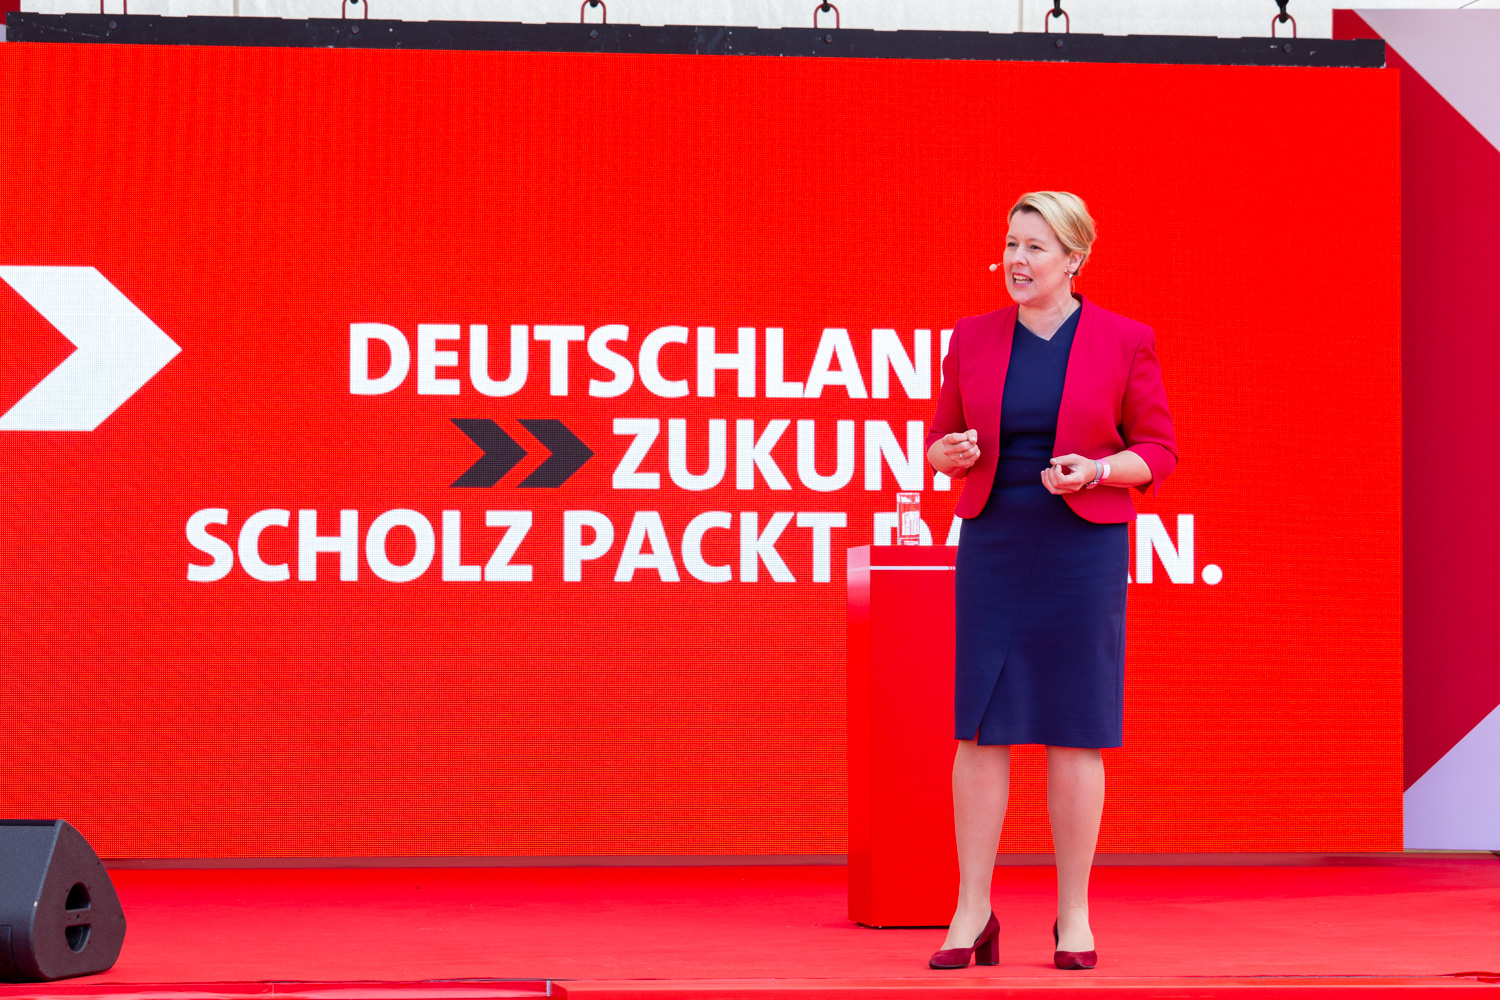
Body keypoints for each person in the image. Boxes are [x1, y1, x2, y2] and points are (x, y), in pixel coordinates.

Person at [923, 191, 1177, 971]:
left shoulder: (1126, 340)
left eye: (1036, 246)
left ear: (1075, 258)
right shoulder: (972, 338)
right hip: (996, 542)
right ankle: (972, 908)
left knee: (1075, 729)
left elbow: (1159, 452)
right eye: (1010, 244)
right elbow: (938, 443)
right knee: (980, 729)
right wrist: (951, 457)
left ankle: (1073, 915)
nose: (1017, 260)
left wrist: (1098, 469)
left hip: (1081, 549)